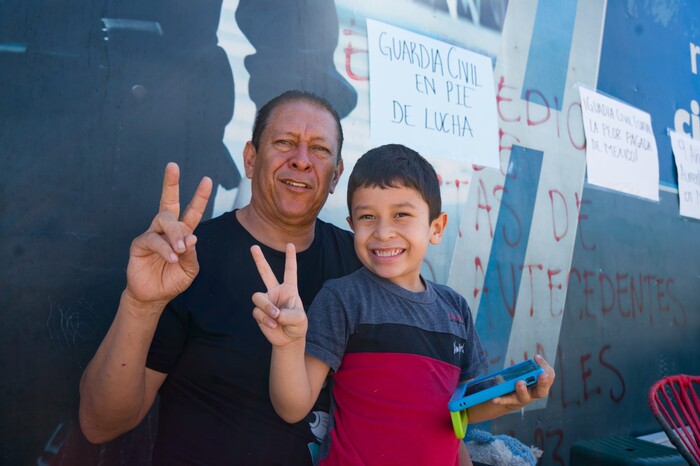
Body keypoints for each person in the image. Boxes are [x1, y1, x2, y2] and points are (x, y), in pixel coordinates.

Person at [78, 90, 362, 465]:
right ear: (250, 158)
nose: (302, 161)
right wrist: (140, 303)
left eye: (320, 150)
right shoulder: (185, 259)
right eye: (284, 143)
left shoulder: (359, 268)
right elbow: (101, 425)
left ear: (337, 174)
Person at [251, 144, 556, 466]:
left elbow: (461, 414)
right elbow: (292, 407)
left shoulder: (455, 310)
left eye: (401, 215)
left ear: (436, 228)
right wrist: (288, 345)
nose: (383, 232)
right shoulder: (343, 299)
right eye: (367, 216)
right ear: (352, 225)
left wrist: (512, 399)